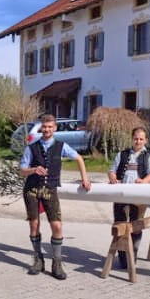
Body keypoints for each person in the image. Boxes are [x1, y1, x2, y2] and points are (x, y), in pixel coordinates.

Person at [18, 114, 91, 280]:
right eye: (44, 126)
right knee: (34, 225)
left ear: (55, 128)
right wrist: (33, 169)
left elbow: (79, 158)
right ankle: (38, 259)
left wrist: (85, 179)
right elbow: (21, 170)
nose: (47, 129)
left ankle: (57, 262)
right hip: (31, 190)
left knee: (57, 226)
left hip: (50, 190)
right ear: (41, 128)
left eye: (50, 127)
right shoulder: (31, 147)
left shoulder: (61, 146)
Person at [108, 127, 150, 270]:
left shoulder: (149, 155)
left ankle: (132, 256)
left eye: (141, 139)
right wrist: (113, 178)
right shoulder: (122, 154)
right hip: (121, 195)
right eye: (136, 138)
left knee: (136, 226)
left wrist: (144, 181)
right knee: (120, 225)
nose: (138, 141)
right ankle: (123, 259)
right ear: (132, 139)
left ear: (146, 140)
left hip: (139, 196)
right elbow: (112, 171)